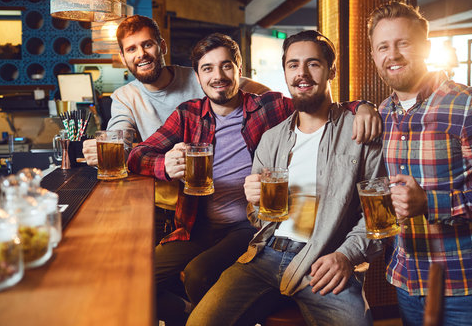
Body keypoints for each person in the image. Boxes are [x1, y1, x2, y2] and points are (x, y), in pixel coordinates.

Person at [127, 32, 381, 325]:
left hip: (305, 250)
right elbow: (138, 154)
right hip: (240, 239)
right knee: (146, 282)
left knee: (199, 273)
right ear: (197, 76)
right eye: (207, 68)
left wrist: (364, 106)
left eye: (313, 64)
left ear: (239, 70)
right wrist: (164, 165)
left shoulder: (272, 108)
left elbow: (316, 102)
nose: (301, 73)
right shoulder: (209, 120)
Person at [367, 1, 472, 326]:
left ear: (425, 47)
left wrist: (431, 203)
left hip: (466, 282)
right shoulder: (382, 112)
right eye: (383, 46)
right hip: (407, 276)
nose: (392, 54)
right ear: (374, 56)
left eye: (403, 43)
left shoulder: (469, 106)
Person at [81, 15, 270, 243]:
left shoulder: (200, 76)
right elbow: (122, 140)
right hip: (161, 203)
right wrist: (107, 150)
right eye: (131, 49)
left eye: (147, 44)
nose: (141, 54)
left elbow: (242, 86)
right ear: (123, 58)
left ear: (162, 46)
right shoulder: (125, 96)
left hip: (209, 201)